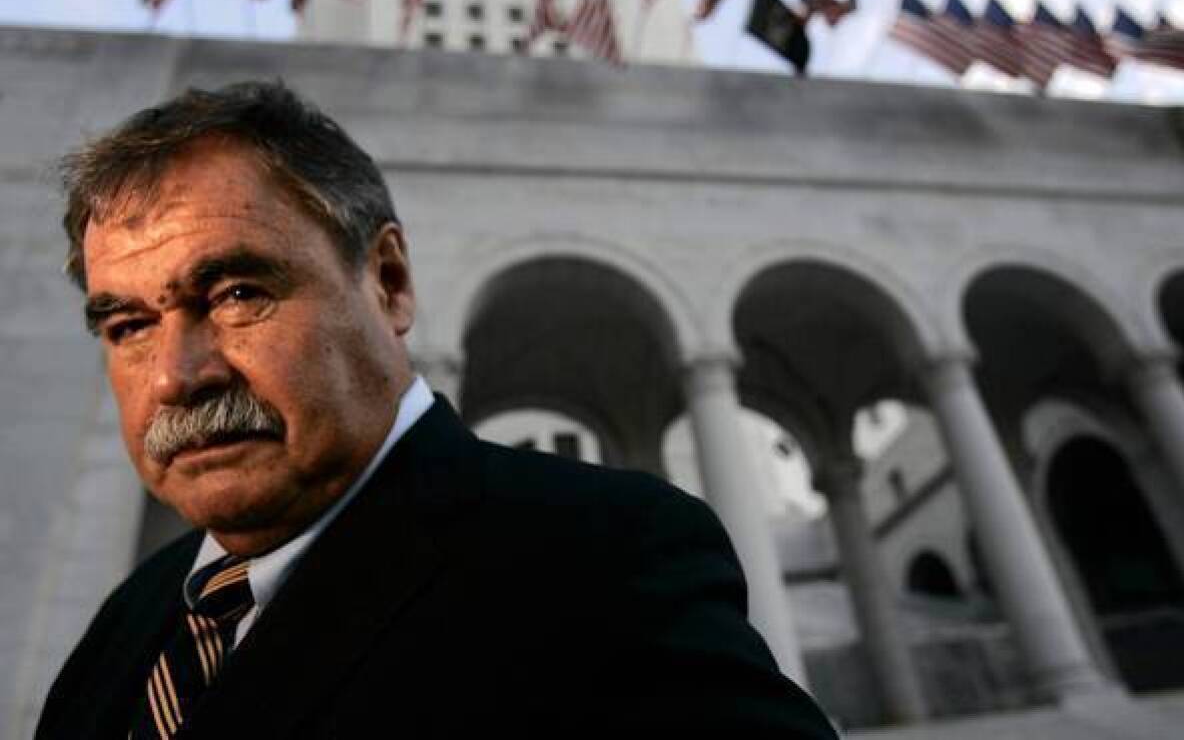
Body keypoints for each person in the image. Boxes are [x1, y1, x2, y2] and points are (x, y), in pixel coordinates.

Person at [35, 81, 838, 738]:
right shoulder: (131, 618)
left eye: (240, 293)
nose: (177, 377)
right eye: (129, 324)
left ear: (388, 281)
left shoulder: (599, 564)